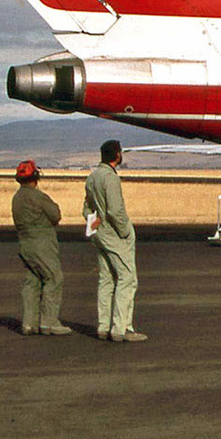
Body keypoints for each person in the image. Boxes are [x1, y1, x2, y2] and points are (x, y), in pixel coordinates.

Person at [84, 139, 147, 342]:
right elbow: (114, 210)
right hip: (115, 236)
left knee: (106, 279)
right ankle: (121, 328)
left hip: (100, 235)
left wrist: (94, 225)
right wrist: (125, 231)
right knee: (127, 279)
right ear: (117, 155)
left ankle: (103, 326)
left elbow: (86, 209)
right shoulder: (111, 179)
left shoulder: (92, 177)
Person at [12, 160, 71, 336]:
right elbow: (55, 215)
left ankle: (29, 323)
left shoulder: (17, 197)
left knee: (32, 280)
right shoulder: (38, 197)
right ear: (35, 177)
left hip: (25, 244)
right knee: (54, 278)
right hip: (42, 244)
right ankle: (49, 322)